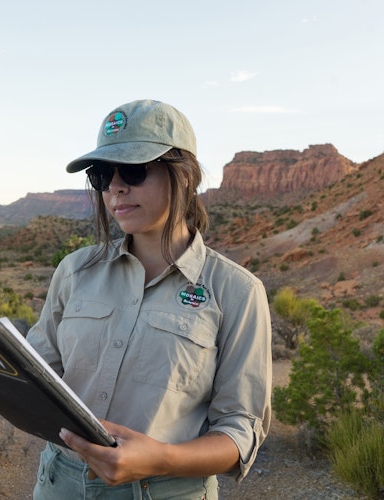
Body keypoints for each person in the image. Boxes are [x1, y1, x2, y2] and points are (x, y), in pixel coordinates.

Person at [27, 99, 272, 499]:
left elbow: (239, 433)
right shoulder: (74, 272)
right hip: (59, 484)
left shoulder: (237, 292)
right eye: (103, 175)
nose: (116, 188)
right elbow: (38, 378)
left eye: (135, 170)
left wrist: (159, 459)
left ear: (186, 176)